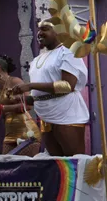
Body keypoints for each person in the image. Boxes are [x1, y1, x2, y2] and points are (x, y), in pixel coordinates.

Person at [12, 20, 89, 156]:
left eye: (45, 29)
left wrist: (30, 86)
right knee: (55, 162)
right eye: (39, 30)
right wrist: (27, 99)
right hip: (46, 116)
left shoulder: (68, 52)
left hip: (66, 114)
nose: (39, 33)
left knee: (73, 161)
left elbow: (67, 86)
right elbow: (43, 91)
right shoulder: (37, 59)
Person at [0, 54, 41, 156]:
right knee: (6, 163)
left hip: (26, 132)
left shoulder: (15, 81)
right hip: (10, 134)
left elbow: (28, 105)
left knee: (24, 164)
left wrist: (2, 108)